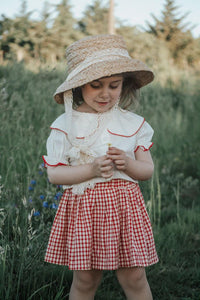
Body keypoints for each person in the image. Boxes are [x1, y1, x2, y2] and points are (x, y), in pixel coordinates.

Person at [43, 34, 159, 300]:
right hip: (85, 209)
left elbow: (147, 171)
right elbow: (54, 174)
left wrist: (128, 164)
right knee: (86, 279)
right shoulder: (65, 125)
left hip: (124, 208)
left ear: (124, 85)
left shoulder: (134, 124)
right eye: (95, 85)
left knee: (134, 275)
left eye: (114, 85)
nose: (105, 93)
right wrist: (91, 170)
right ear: (79, 86)